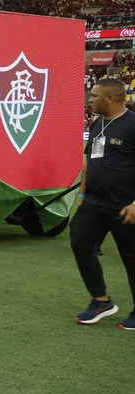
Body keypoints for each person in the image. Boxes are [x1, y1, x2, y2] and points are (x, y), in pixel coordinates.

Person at [73, 78, 135, 329]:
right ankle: (101, 301)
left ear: (110, 98)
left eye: (95, 95)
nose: (90, 99)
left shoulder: (132, 124)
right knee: (79, 242)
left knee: (131, 258)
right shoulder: (98, 123)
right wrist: (81, 195)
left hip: (125, 206)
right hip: (95, 202)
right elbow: (89, 162)